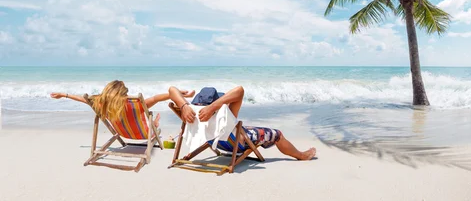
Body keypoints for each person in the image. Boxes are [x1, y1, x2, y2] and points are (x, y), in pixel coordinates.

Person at [168, 85, 316, 161]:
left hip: (214, 138)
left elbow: (171, 90)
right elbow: (240, 90)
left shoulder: (190, 113)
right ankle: (301, 155)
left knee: (244, 127)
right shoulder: (222, 113)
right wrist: (214, 106)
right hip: (237, 142)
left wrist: (184, 105)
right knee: (277, 134)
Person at [51, 80, 195, 128]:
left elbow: (84, 99)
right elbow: (160, 97)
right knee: (150, 120)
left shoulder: (101, 105)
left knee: (148, 119)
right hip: (143, 134)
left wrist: (64, 94)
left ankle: (154, 124)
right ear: (124, 94)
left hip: (124, 133)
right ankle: (154, 125)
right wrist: (182, 94)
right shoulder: (137, 104)